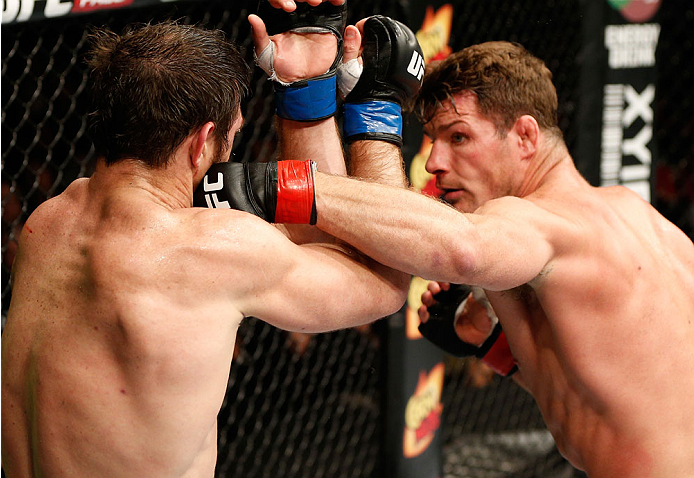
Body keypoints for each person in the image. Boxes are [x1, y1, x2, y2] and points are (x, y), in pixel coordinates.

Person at [0, 2, 417, 475]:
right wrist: (376, 113)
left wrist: (307, 88)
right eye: (232, 136)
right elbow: (385, 275)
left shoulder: (47, 223)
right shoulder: (204, 251)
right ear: (202, 143)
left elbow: (308, 229)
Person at [255, 41, 694, 476]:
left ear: (525, 136)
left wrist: (275, 186)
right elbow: (618, 394)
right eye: (433, 141)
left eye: (459, 137)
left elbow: (459, 251)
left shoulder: (540, 222)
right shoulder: (636, 215)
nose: (434, 163)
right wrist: (493, 348)